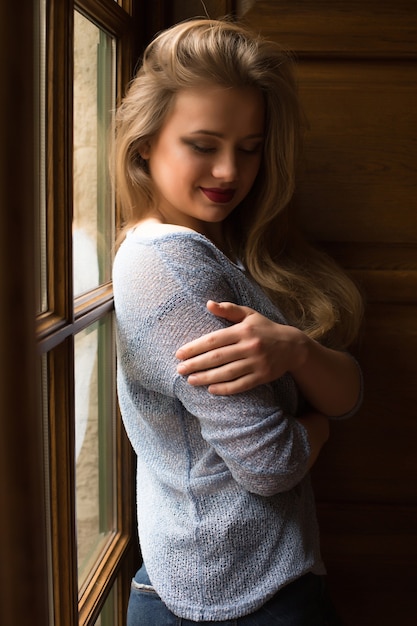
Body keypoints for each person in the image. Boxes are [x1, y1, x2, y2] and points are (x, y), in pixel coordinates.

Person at [112, 18, 363, 625]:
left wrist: (295, 350)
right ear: (145, 142)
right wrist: (319, 428)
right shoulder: (169, 265)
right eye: (203, 145)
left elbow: (349, 392)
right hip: (228, 596)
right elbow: (272, 463)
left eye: (249, 149)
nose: (229, 172)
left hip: (256, 577)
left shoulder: (222, 249)